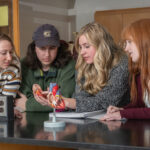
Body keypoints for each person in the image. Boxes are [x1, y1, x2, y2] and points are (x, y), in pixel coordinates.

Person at [44, 22, 130, 112]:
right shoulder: (84, 64)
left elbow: (106, 102)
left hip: (122, 123)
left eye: (87, 46)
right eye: (81, 47)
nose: (82, 52)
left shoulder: (121, 63)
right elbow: (80, 98)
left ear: (101, 46)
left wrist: (67, 102)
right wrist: (58, 101)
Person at [15, 24, 75, 112]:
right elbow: (22, 97)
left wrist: (28, 105)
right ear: (34, 47)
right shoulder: (23, 65)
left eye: (52, 48)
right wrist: (53, 101)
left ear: (58, 47)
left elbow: (64, 100)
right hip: (31, 122)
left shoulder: (69, 64)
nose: (47, 54)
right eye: (42, 48)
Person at [101, 19, 150, 120]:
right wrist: (122, 110)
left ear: (145, 41)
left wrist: (124, 114)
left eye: (130, 42)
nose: (126, 48)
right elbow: (140, 105)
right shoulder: (140, 74)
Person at [0, 33, 21, 117]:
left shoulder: (12, 71)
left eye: (11, 52)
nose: (9, 58)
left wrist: (7, 109)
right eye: (4, 53)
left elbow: (4, 106)